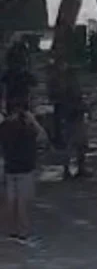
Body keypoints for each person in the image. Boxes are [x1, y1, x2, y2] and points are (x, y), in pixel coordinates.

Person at [0, 98, 47, 245]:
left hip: (10, 167)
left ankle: (11, 229)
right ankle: (24, 232)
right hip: (25, 168)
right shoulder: (27, 127)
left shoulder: (4, 126)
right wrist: (33, 120)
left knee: (10, 200)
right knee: (23, 202)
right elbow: (42, 137)